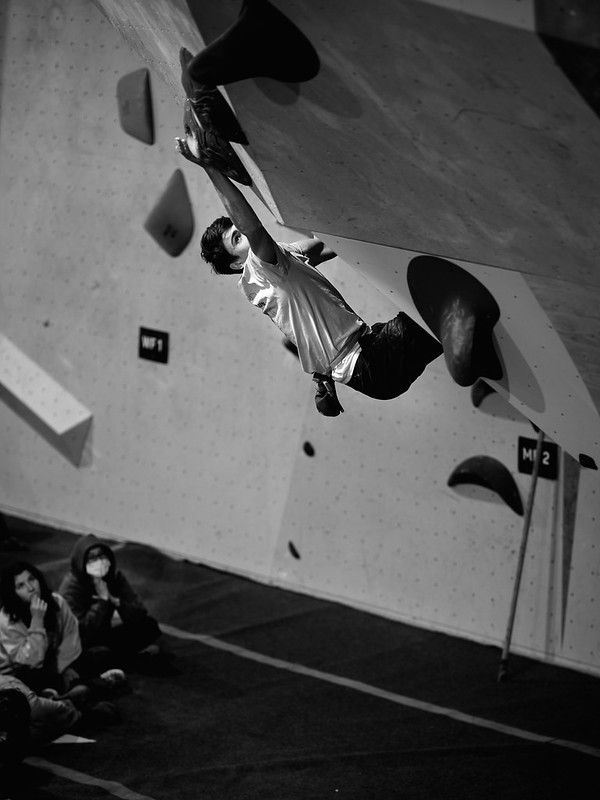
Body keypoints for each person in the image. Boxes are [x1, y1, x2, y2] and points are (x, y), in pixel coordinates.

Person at [175, 125, 443, 417]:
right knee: (438, 301)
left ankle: (479, 358)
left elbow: (330, 245)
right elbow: (253, 227)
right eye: (235, 238)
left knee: (441, 325)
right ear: (236, 264)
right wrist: (209, 166)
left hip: (371, 360)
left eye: (235, 227)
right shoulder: (258, 271)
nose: (242, 230)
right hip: (369, 362)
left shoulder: (281, 262)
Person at [59, 535, 163, 672]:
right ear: (81, 561)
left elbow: (140, 611)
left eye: (102, 556)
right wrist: (102, 601)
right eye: (92, 558)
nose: (99, 562)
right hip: (82, 641)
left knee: (149, 625)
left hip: (104, 631)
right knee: (99, 654)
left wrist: (115, 601)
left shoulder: (114, 577)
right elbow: (80, 631)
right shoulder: (71, 587)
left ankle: (124, 659)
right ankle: (130, 659)